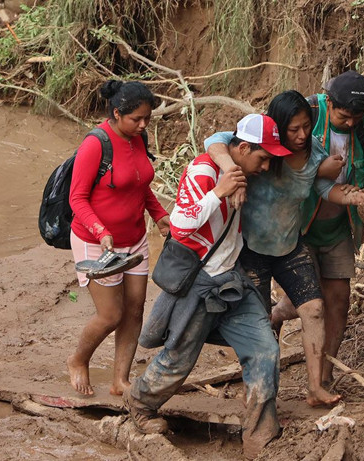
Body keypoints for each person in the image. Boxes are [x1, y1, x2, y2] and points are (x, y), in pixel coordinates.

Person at [126, 114, 286, 459]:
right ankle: (139, 404)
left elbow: (218, 138)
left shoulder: (240, 165)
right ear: (243, 148)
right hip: (200, 282)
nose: (266, 166)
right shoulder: (204, 171)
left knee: (265, 350)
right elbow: (180, 225)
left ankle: (260, 434)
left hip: (231, 279)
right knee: (179, 358)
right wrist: (219, 192)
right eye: (263, 158)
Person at [203, 90, 364, 407]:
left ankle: (315, 388)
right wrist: (233, 172)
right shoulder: (260, 145)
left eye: (306, 127)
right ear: (277, 128)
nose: (301, 135)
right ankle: (259, 395)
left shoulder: (313, 152)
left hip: (289, 246)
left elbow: (323, 187)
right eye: (293, 129)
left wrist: (352, 197)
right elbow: (214, 140)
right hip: (251, 249)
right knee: (258, 326)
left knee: (314, 309)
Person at [271, 71, 364, 386]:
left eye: (356, 117)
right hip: (298, 226)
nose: (351, 123)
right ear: (329, 101)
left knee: (338, 300)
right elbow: (273, 157)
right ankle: (275, 316)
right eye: (344, 116)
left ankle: (323, 378)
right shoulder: (307, 114)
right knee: (307, 302)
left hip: (340, 227)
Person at [66, 80, 170, 397]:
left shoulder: (139, 138)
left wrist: (160, 215)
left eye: (147, 119)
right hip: (96, 242)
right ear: (116, 113)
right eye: (136, 119)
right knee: (111, 315)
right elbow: (77, 198)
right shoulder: (96, 144)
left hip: (134, 240)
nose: (142, 125)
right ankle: (78, 360)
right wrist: (101, 230)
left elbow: (140, 185)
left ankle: (119, 379)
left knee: (135, 309)